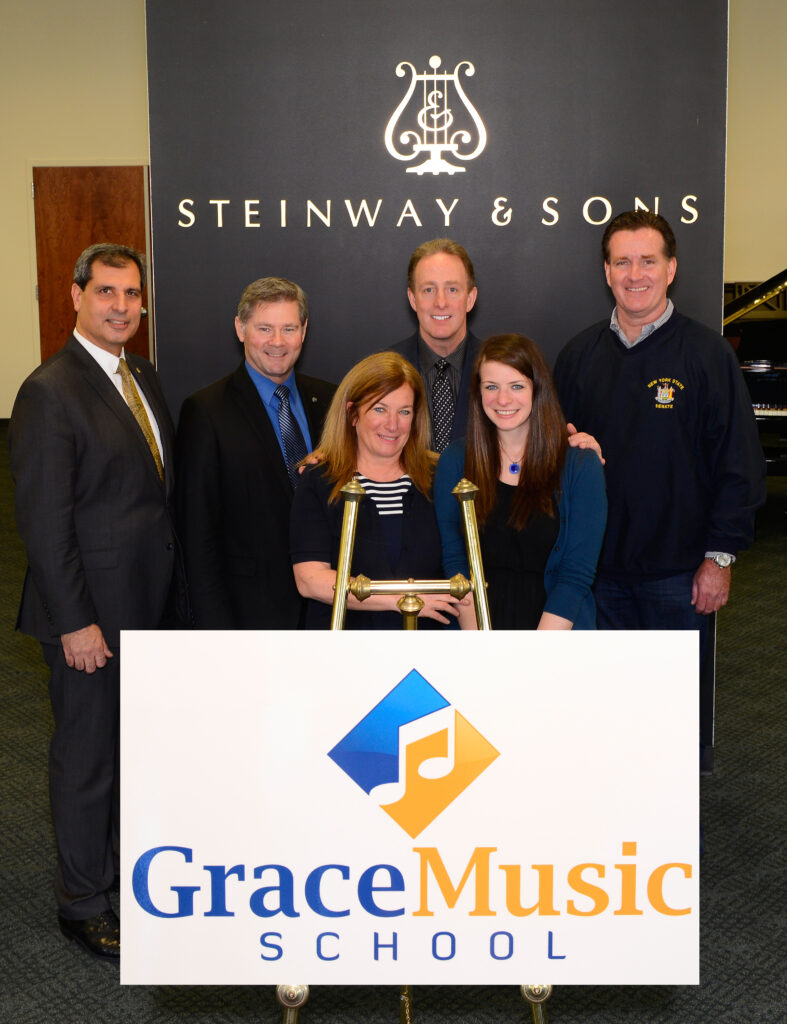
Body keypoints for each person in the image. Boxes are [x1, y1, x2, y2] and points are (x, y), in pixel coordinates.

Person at [8, 243, 184, 960]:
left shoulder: (139, 372)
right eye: (106, 292)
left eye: (131, 294)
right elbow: (44, 523)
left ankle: (119, 880)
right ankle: (82, 903)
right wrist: (76, 621)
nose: (120, 306)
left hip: (143, 605)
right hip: (89, 619)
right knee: (87, 759)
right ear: (75, 296)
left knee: (131, 754)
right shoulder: (50, 390)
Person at [553, 210, 766, 641]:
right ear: (606, 271)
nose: (635, 275)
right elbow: (553, 458)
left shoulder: (708, 354)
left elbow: (739, 462)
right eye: (622, 262)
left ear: (671, 269)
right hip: (595, 574)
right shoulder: (578, 355)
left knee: (675, 707)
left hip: (681, 576)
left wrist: (719, 560)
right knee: (605, 704)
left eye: (648, 261)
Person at [176, 277, 335, 628]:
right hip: (247, 616)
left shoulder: (331, 402)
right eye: (265, 328)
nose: (277, 342)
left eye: (289, 328)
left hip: (327, 615)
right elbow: (197, 535)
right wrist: (216, 629)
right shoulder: (205, 411)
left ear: (304, 331)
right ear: (240, 328)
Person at [435, 335, 607, 629]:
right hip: (477, 630)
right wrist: (480, 646)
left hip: (555, 635)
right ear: (478, 393)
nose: (503, 399)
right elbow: (456, 563)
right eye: (491, 387)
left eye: (516, 386)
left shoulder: (580, 465)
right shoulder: (455, 461)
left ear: (537, 390)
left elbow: (575, 574)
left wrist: (533, 658)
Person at [290, 352, 466, 629]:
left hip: (428, 656)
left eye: (404, 411)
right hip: (346, 653)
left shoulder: (441, 477)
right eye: (379, 409)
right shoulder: (319, 479)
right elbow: (310, 580)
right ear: (352, 413)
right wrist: (404, 600)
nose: (393, 424)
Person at [388, 238, 481, 452]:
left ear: (470, 298)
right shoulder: (380, 371)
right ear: (412, 299)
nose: (440, 302)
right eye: (429, 290)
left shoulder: (501, 369)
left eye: (452, 290)